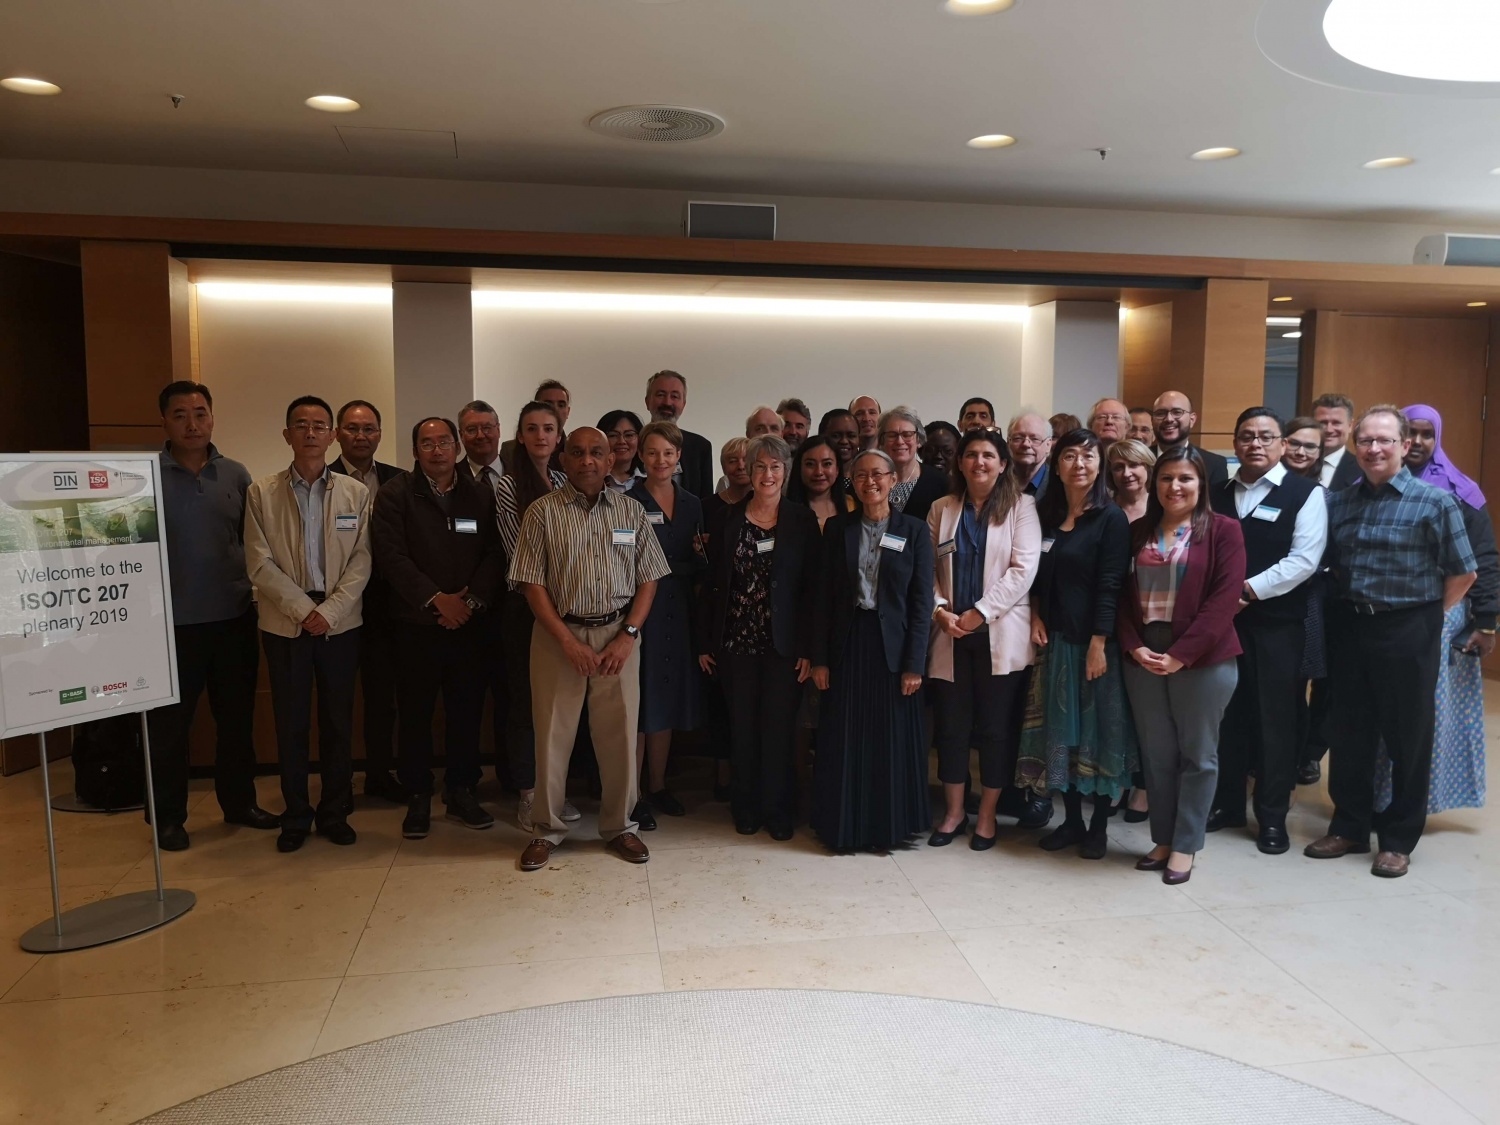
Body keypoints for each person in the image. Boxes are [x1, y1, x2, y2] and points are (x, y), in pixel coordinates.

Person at [1309, 405, 1475, 878]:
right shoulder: (1340, 501)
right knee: (1349, 732)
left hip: (1409, 629)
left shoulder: (1435, 502)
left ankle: (1399, 839)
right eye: (1365, 441)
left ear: (1404, 446)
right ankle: (1349, 826)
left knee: (1408, 738)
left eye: (1384, 440)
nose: (1374, 449)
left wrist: (1426, 617)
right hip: (1351, 626)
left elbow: (1464, 572)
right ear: (1355, 447)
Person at [511, 427, 671, 871]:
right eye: (577, 453)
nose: (587, 461)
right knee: (551, 736)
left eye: (596, 453)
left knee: (620, 735)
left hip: (619, 635)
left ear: (610, 460)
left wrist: (628, 634)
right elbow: (531, 584)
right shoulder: (542, 512)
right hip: (557, 636)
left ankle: (621, 826)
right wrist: (567, 640)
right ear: (563, 460)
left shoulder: (631, 511)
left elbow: (649, 578)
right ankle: (546, 829)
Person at [145, 381, 278, 851]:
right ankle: (168, 818)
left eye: (200, 413)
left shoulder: (236, 474)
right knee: (169, 730)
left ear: (213, 418)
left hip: (232, 618)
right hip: (169, 627)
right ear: (164, 421)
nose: (192, 424)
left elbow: (252, 543)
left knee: (236, 722)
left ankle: (239, 803)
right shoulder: (144, 478)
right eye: (180, 415)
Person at [245, 396, 372, 853]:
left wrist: (329, 612)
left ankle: (335, 812)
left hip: (341, 625)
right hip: (286, 626)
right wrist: (304, 610)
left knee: (338, 723)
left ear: (332, 435)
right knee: (291, 724)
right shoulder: (261, 493)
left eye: (320, 425)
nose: (311, 432)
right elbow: (258, 562)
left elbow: (362, 560)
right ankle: (296, 815)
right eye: (301, 425)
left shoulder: (355, 494)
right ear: (287, 435)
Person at [372, 417, 505, 839]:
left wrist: (469, 601)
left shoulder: (480, 494)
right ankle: (418, 793)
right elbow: (391, 555)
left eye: (444, 442)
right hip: (416, 624)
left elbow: (496, 552)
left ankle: (461, 789)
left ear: (457, 447)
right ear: (415, 451)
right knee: (416, 713)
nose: (437, 450)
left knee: (466, 710)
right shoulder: (395, 494)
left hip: (468, 624)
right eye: (427, 443)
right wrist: (435, 599)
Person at [1118, 447, 1245, 885]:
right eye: (1166, 478)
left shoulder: (1224, 531)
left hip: (1203, 657)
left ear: (1201, 485)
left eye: (1185, 478)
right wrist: (1134, 646)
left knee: (1198, 755)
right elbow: (1119, 598)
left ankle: (1186, 844)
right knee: (1156, 754)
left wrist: (1181, 654)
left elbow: (1223, 601)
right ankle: (1163, 839)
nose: (1175, 487)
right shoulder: (1137, 532)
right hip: (1144, 655)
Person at [1207, 407, 1327, 855]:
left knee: (1275, 722)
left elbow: (1304, 560)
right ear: (1235, 444)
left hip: (1277, 627)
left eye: (1265, 436)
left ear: (1282, 445)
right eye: (1246, 436)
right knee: (1226, 716)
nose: (1254, 444)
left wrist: (1246, 591)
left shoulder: (1305, 493)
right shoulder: (1216, 493)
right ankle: (1228, 805)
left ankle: (1272, 816)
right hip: (1221, 626)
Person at [1018, 429, 1136, 858]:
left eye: (1088, 456)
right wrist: (1035, 615)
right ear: (1057, 464)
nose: (1079, 464)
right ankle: (1070, 822)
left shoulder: (1111, 518)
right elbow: (1036, 577)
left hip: (1093, 647)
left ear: (1100, 466)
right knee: (1060, 736)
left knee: (1097, 735)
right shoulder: (1045, 515)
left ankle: (1098, 827)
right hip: (1055, 643)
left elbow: (1111, 585)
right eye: (1070, 456)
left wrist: (1099, 641)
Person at [810, 449, 935, 851]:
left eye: (878, 474)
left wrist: (915, 664)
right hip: (848, 644)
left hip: (893, 649)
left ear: (893, 479)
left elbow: (921, 603)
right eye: (861, 475)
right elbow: (823, 598)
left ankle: (888, 828)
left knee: (889, 739)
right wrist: (820, 659)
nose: (870, 482)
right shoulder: (837, 528)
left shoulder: (914, 530)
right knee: (844, 736)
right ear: (853, 483)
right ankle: (843, 827)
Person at [699, 435, 820, 839]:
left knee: (779, 731)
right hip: (735, 644)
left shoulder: (802, 521)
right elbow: (711, 585)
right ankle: (746, 807)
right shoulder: (726, 519)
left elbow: (812, 590)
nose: (768, 474)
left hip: (784, 647)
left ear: (785, 472)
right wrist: (705, 642)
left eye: (775, 466)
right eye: (760, 466)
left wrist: (809, 648)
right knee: (743, 729)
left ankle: (778, 810)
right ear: (748, 472)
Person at [926, 428, 1041, 850]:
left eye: (988, 455)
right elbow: (926, 569)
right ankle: (955, 812)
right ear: (959, 462)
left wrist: (979, 612)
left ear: (1003, 463)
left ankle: (988, 815)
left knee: (994, 730)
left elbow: (1023, 570)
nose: (979, 462)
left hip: (999, 633)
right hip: (950, 633)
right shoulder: (942, 508)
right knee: (952, 729)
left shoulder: (1022, 507)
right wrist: (940, 610)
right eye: (971, 454)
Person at [1381, 404, 1495, 814]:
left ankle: (1416, 804)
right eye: (1410, 432)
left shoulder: (1461, 491)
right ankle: (1377, 799)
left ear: (1438, 438)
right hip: (1380, 613)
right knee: (1381, 707)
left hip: (1440, 614)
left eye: (1427, 434)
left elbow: (1484, 558)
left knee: (1426, 710)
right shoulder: (1372, 482)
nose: (1417, 442)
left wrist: (1487, 621)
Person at [495, 402, 579, 834]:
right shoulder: (509, 485)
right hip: (527, 608)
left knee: (559, 704)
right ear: (521, 436)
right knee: (526, 704)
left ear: (559, 435)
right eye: (532, 429)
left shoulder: (567, 481)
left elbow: (581, 544)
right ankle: (529, 793)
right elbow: (519, 554)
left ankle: (555, 790)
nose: (541, 436)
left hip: (568, 608)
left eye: (549, 428)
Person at [329, 400, 408, 803]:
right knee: (337, 701)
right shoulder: (322, 479)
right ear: (337, 433)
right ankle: (338, 783)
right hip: (337, 606)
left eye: (369, 429)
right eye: (352, 428)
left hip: (386, 608)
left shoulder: (400, 480)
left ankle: (379, 775)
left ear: (380, 434)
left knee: (382, 699)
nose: (361, 436)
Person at [628, 421, 705, 829]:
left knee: (666, 702)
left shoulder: (692, 503)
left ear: (679, 458)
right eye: (653, 452)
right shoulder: (627, 501)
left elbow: (699, 560)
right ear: (641, 455)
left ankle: (657, 785)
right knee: (640, 705)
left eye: (668, 453)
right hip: (643, 613)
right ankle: (633, 795)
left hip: (681, 612)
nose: (661, 460)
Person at [644, 370, 713, 497]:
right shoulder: (633, 444)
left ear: (683, 404)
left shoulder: (700, 447)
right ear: (647, 401)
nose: (667, 402)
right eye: (660, 395)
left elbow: (706, 501)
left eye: (675, 396)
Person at [879, 406, 947, 520]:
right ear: (882, 441)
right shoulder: (872, 480)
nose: (899, 441)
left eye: (907, 435)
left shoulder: (939, 483)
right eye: (892, 435)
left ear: (919, 440)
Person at [1150, 390, 1229, 489]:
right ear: (1152, 421)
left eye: (1177, 412)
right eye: (1161, 413)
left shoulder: (1214, 464)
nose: (1169, 419)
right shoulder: (1139, 462)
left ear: (1192, 420)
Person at [500, 379, 570, 474]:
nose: (555, 409)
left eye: (561, 405)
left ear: (568, 411)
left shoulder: (575, 450)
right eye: (548, 404)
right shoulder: (510, 449)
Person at [787, 434, 853, 528]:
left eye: (827, 464)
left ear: (837, 469)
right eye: (810, 464)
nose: (818, 472)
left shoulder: (852, 505)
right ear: (799, 468)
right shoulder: (784, 510)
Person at [701, 436, 751, 532]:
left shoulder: (767, 504)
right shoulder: (705, 507)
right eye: (733, 461)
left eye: (746, 460)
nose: (741, 466)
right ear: (724, 467)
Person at [1313, 392, 1361, 491]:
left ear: (1350, 425)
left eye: (1336, 423)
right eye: (1323, 423)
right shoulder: (1294, 463)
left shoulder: (1362, 470)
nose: (1329, 430)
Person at [1106, 438, 1156, 524]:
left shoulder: (1162, 506)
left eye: (1133, 465)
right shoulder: (1102, 509)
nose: (1126, 474)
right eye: (1119, 467)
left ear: (1148, 468)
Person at [1007, 412, 1053, 500]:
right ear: (1008, 442)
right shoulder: (996, 481)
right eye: (1018, 438)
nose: (1026, 444)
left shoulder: (1060, 485)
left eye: (1035, 439)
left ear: (1048, 445)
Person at [599, 409, 645, 493]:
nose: (621, 441)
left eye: (629, 435)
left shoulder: (650, 478)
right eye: (613, 435)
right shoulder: (592, 479)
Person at [819, 408, 862, 482]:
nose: (844, 441)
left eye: (851, 436)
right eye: (836, 436)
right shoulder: (816, 476)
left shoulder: (866, 478)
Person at [1282, 416, 1325, 482]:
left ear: (1319, 452)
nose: (1300, 452)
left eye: (1309, 447)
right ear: (1282, 443)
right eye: (1294, 444)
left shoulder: (1320, 488)